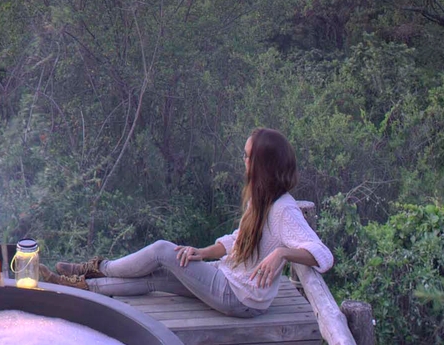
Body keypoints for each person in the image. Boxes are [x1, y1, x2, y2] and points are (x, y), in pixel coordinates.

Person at [43, 128, 333, 317]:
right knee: (156, 277)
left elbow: (323, 255)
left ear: (263, 164)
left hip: (239, 296)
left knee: (162, 250)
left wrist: (282, 253)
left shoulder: (284, 209)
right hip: (230, 282)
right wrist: (202, 253)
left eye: (247, 157)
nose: (243, 161)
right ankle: (79, 286)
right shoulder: (261, 198)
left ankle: (97, 267)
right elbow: (237, 239)